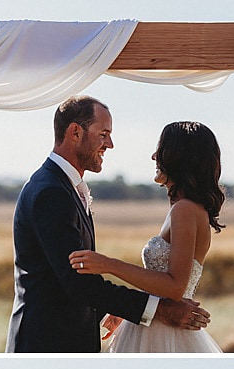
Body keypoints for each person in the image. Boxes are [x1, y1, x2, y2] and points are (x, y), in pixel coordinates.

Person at [6, 96, 211, 353]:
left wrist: (113, 308)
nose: (110, 144)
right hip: (46, 345)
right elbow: (75, 281)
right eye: (103, 134)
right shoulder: (50, 191)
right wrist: (159, 309)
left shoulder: (64, 187)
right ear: (75, 132)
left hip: (69, 344)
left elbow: (76, 278)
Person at [68, 121, 224, 353]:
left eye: (161, 149)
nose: (154, 157)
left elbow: (174, 287)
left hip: (164, 334)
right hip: (154, 324)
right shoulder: (185, 209)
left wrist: (109, 265)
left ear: (179, 156)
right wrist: (131, 308)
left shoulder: (185, 210)